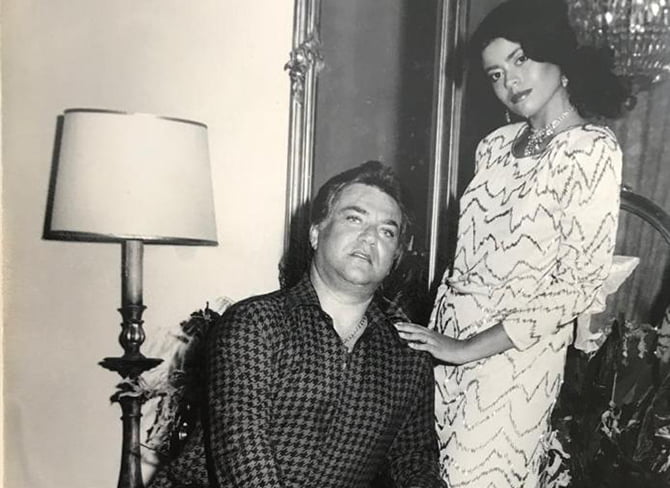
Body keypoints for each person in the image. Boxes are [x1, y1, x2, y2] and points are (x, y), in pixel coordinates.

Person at [395, 0, 631, 486]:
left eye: (521, 59)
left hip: (514, 361)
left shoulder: (592, 149)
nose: (510, 82)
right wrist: (445, 342)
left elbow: (578, 286)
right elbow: (467, 257)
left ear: (557, 55)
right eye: (496, 74)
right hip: (447, 345)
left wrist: (468, 348)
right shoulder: (494, 146)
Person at [149, 161, 446, 488]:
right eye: (354, 219)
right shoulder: (255, 323)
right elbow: (243, 458)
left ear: (394, 259)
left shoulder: (409, 357)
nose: (370, 237)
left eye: (386, 231)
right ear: (316, 233)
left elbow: (415, 463)